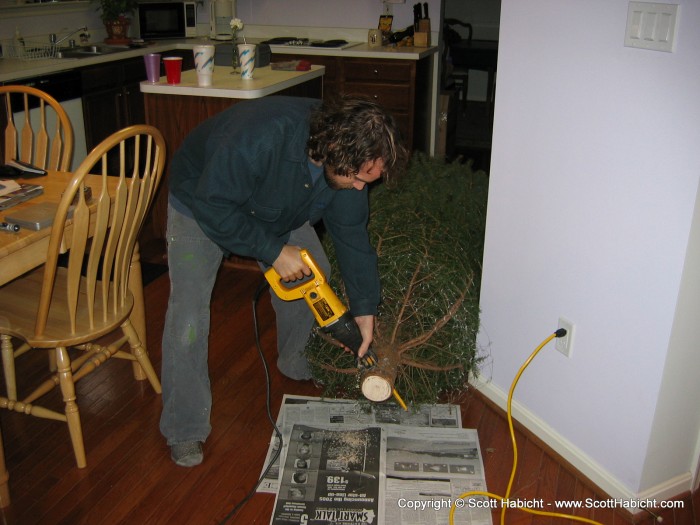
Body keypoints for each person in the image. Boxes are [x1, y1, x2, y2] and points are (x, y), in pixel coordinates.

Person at [159, 95, 407, 467]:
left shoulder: (344, 171)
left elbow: (354, 240)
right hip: (203, 202)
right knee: (189, 314)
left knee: (313, 276)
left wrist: (365, 308)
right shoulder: (260, 136)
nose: (361, 189)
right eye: (359, 179)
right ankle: (185, 426)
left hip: (275, 204)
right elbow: (214, 205)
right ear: (336, 151)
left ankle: (295, 358)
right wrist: (273, 251)